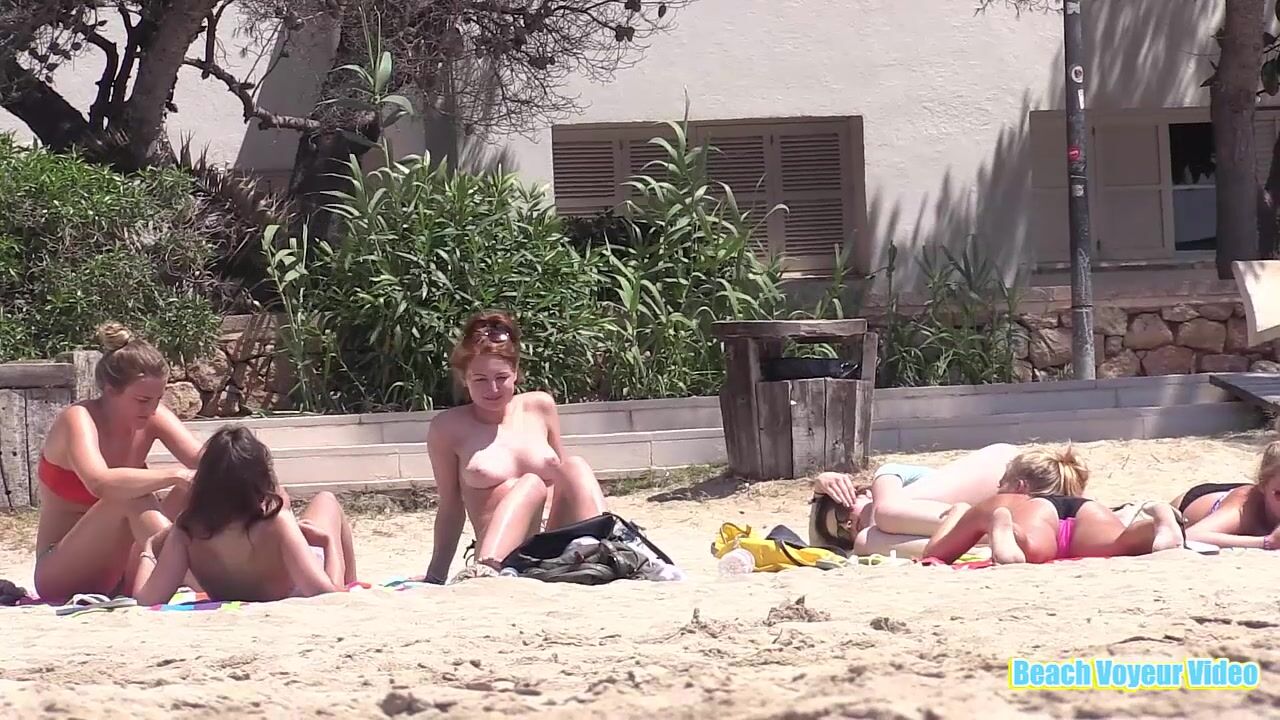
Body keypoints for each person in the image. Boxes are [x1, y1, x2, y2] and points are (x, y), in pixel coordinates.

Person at [423, 311, 608, 584]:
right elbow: (451, 505)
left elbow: (565, 482)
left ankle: (611, 543)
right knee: (530, 484)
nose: (493, 389)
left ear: (516, 372)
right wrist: (436, 575)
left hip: (555, 539)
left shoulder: (540, 406)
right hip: (502, 551)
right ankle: (485, 568)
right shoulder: (447, 428)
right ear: (464, 378)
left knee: (575, 466)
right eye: (480, 379)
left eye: (501, 377)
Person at [33, 323, 202, 603]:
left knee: (201, 484)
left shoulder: (152, 416)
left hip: (128, 567)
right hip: (62, 572)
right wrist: (174, 475)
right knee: (130, 496)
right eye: (143, 400)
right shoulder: (78, 419)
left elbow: (204, 459)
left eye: (158, 400)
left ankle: (244, 558)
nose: (151, 409)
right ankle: (199, 576)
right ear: (110, 390)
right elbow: (100, 483)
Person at [133, 426, 357, 605]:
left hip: (231, 591)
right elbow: (325, 594)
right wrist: (328, 545)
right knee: (326, 500)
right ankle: (353, 582)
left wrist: (150, 550)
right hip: (295, 584)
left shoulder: (187, 528)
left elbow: (147, 599)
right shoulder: (276, 522)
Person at [922, 446, 1185, 564]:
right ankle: (1156, 524)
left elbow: (937, 553)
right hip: (1086, 512)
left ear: (1020, 486)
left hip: (1040, 516)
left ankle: (1007, 531)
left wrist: (958, 511)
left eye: (1002, 483)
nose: (999, 489)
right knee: (1122, 542)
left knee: (1030, 545)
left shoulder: (1014, 501)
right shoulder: (1084, 501)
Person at [809, 443, 1022, 557]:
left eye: (842, 512)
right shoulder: (872, 537)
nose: (847, 525)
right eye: (842, 534)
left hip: (1011, 469)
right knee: (865, 542)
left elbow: (883, 513)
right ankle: (987, 539)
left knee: (883, 516)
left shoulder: (887, 475)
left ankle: (981, 531)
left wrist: (820, 491)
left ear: (862, 493)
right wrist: (818, 495)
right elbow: (818, 547)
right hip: (1015, 514)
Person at [1183, 441, 1280, 550]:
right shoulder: (1243, 510)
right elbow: (1191, 535)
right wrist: (1267, 542)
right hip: (1196, 501)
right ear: (1263, 486)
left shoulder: (1273, 489)